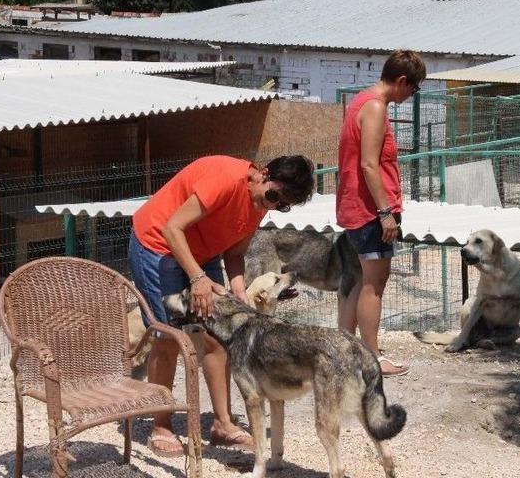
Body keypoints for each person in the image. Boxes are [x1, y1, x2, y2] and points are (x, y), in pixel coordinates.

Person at [128, 154, 314, 456]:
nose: (271, 206)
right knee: (168, 337)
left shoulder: (259, 201)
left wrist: (238, 289)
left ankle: (222, 424)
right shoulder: (226, 180)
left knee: (217, 338)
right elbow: (172, 229)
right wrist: (198, 278)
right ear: (262, 173)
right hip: (158, 245)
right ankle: (161, 424)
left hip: (202, 253)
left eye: (281, 204)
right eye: (272, 196)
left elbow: (235, 253)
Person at [336, 50, 426, 377]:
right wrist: (385, 212)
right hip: (370, 211)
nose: (410, 95)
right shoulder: (374, 108)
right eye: (413, 89)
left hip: (359, 208)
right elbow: (369, 165)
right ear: (401, 80)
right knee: (375, 284)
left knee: (360, 281)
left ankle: (344, 353)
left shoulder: (361, 102)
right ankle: (371, 359)